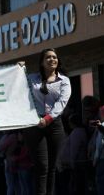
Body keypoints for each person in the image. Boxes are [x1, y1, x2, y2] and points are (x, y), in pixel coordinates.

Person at [21, 48, 71, 195]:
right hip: (35, 124)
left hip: (54, 124)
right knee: (42, 166)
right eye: (48, 57)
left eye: (54, 57)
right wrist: (19, 69)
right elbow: (18, 86)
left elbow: (62, 102)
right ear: (42, 62)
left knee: (52, 167)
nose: (52, 59)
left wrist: (48, 119)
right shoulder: (31, 78)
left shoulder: (64, 81)